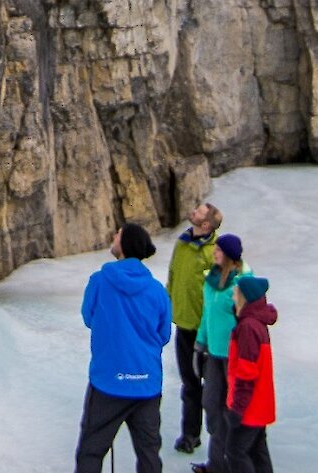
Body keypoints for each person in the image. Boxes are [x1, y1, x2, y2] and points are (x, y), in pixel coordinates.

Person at [76, 222, 174, 473]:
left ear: (125, 244)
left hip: (108, 382)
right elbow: (163, 334)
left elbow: (89, 317)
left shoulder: (99, 281)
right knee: (149, 453)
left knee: (91, 450)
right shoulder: (157, 291)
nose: (113, 236)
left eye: (118, 234)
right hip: (146, 383)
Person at [164, 202, 221, 455]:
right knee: (189, 384)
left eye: (198, 211)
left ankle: (221, 438)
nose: (193, 211)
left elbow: (218, 293)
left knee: (213, 387)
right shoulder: (182, 243)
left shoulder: (213, 253)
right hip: (183, 326)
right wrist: (166, 309)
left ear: (206, 224)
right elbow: (173, 277)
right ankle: (190, 435)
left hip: (205, 332)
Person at [192, 234, 250, 473]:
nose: (214, 252)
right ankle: (216, 463)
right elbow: (207, 316)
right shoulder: (210, 281)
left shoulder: (242, 282)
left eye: (218, 249)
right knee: (211, 404)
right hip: (214, 355)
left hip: (233, 357)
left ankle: (231, 462)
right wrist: (199, 345)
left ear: (228, 254)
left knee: (231, 410)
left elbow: (247, 321)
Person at [224, 275, 278, 473]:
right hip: (260, 406)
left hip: (250, 408)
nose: (232, 296)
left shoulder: (248, 327)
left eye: (236, 292)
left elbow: (247, 372)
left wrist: (238, 409)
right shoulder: (255, 323)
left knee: (235, 452)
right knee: (257, 451)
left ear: (244, 297)